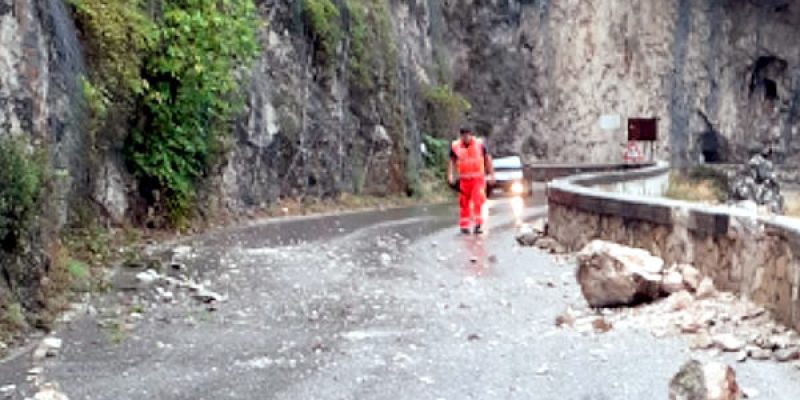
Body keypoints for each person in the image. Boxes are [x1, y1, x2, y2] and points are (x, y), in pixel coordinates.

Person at [447, 127, 494, 234]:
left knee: (477, 200)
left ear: (470, 135)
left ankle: (478, 225)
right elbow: (451, 160)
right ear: (460, 136)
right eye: (463, 135)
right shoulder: (455, 146)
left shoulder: (479, 145)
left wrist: (491, 174)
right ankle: (464, 225)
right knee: (464, 202)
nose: (465, 137)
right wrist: (450, 175)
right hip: (464, 180)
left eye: (467, 135)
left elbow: (487, 159)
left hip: (478, 179)